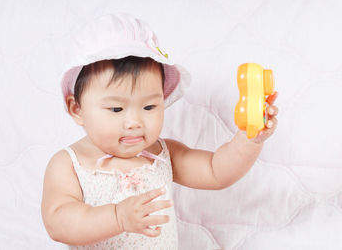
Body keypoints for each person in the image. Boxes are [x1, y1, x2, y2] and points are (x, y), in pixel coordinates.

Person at [41, 13, 279, 249]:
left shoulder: (163, 154)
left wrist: (250, 139)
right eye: (116, 108)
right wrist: (117, 217)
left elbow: (216, 170)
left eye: (149, 106)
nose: (135, 121)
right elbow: (58, 222)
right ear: (77, 108)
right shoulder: (69, 164)